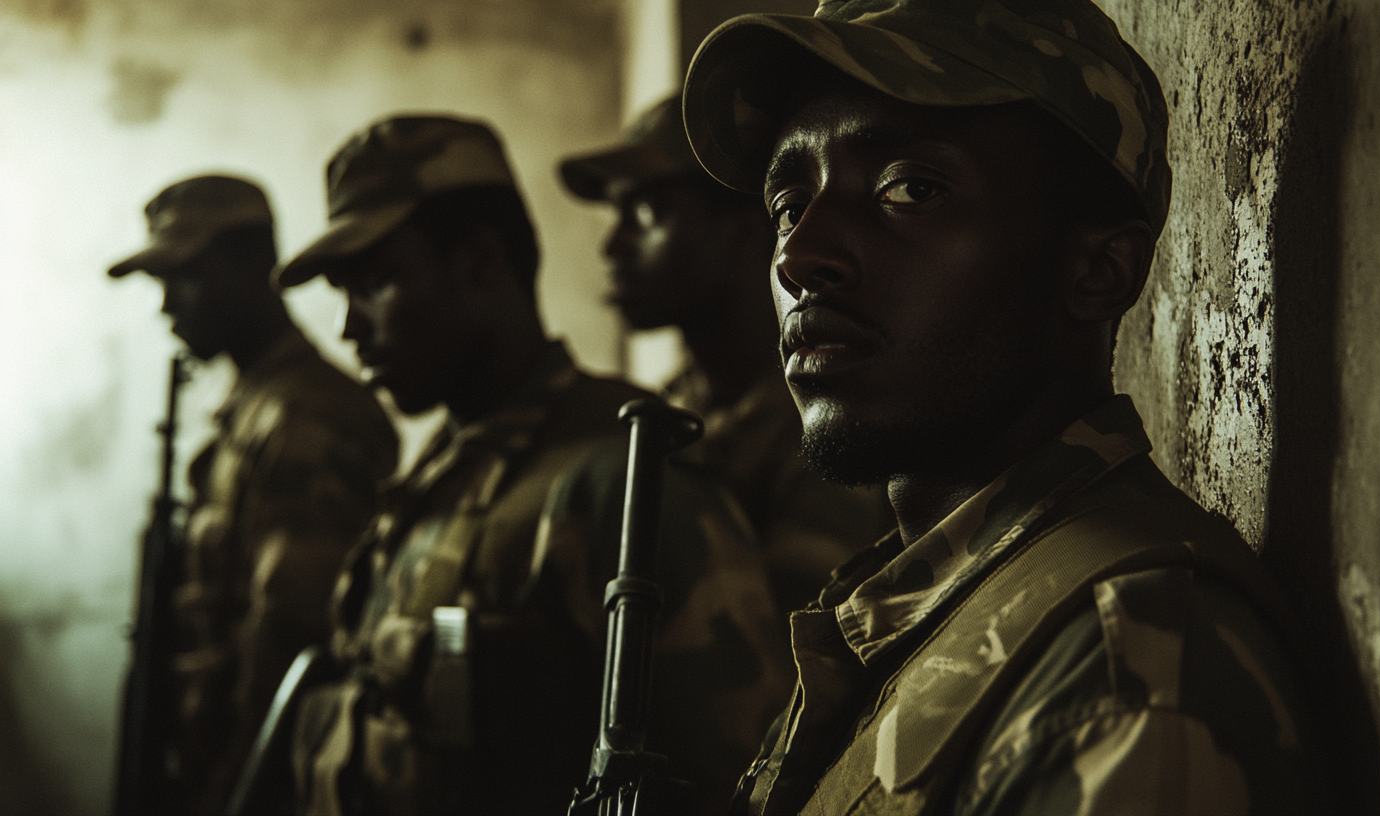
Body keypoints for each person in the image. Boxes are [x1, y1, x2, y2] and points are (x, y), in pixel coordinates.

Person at [678, 1, 1333, 813]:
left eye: (910, 188)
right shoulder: (922, 605)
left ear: (1099, 270)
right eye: (788, 203)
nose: (799, 255)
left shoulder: (1125, 675)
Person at [275, 115, 791, 816]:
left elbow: (730, 781)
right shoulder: (447, 468)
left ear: (482, 263)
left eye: (377, 283)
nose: (351, 329)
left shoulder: (625, 478)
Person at [108, 175, 399, 815]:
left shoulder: (306, 418)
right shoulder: (256, 409)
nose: (167, 306)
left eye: (183, 277)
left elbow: (293, 651)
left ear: (251, 265)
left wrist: (234, 797)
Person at [560, 96, 894, 617]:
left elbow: (791, 651)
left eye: (645, 215)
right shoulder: (674, 406)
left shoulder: (825, 417)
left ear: (740, 230)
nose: (612, 247)